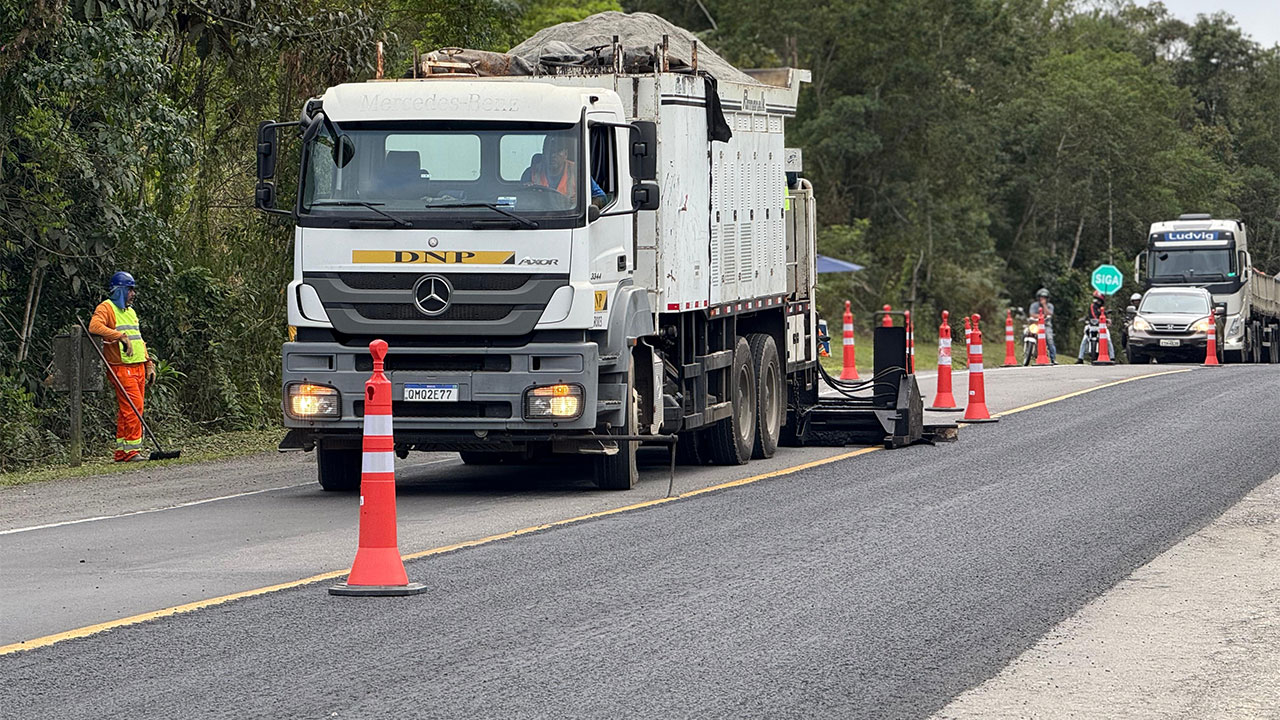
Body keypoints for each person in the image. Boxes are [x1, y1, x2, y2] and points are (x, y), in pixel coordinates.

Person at [88, 271, 156, 462]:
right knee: (134, 408)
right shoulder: (106, 308)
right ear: (120, 290)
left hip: (138, 366)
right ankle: (133, 452)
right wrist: (119, 336)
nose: (133, 294)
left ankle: (123, 451)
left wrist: (149, 363)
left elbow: (139, 340)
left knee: (129, 409)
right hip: (121, 367)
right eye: (130, 290)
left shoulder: (131, 312)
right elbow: (94, 327)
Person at [523, 134, 607, 208]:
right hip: (537, 218)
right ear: (543, 153)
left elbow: (601, 197)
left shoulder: (578, 172)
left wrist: (582, 205)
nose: (553, 155)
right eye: (549, 151)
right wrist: (526, 193)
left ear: (566, 154)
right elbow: (520, 202)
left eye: (558, 151)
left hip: (571, 218)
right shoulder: (530, 173)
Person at [1076, 291, 1106, 364]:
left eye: (1098, 300)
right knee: (1084, 340)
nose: (1096, 301)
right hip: (1091, 325)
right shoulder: (1092, 306)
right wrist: (1085, 319)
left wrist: (1107, 320)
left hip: (1101, 326)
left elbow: (1106, 316)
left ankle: (1111, 357)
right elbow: (1092, 315)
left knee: (1108, 339)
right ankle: (1080, 358)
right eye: (1096, 299)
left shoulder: (1103, 308)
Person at [1028, 288, 1057, 363]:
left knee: (1049, 339)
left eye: (1044, 297)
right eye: (1041, 297)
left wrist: (1044, 305)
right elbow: (1032, 314)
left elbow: (1049, 314)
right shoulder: (1034, 305)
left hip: (1046, 325)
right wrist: (1041, 316)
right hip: (1035, 324)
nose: (1042, 299)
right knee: (1028, 333)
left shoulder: (1050, 306)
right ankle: (1028, 351)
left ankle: (1053, 358)